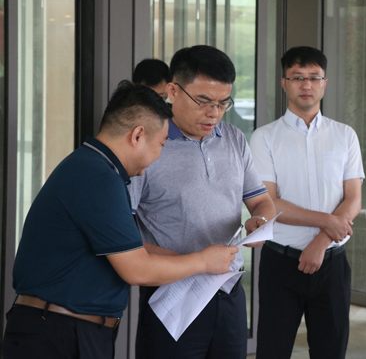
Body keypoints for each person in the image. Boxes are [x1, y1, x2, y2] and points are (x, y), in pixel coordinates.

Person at [2, 81, 239, 359]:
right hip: (58, 331)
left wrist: (188, 261)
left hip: (67, 328)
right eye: (161, 144)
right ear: (138, 135)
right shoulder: (98, 177)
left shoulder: (95, 168)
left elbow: (129, 246)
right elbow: (136, 269)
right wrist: (202, 262)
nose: (159, 155)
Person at [129, 45, 277, 359]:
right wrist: (190, 261)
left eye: (223, 103)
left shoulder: (234, 138)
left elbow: (262, 201)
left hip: (228, 290)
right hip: (172, 295)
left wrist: (260, 221)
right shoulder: (147, 146)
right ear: (172, 91)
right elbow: (122, 233)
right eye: (204, 101)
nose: (214, 113)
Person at [250, 46, 364, 359]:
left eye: (314, 77)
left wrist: (321, 242)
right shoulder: (264, 137)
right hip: (281, 264)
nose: (306, 85)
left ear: (324, 83)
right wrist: (327, 221)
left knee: (331, 352)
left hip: (332, 265)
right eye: (297, 77)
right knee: (272, 351)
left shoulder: (345, 135)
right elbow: (269, 202)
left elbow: (353, 198)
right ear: (284, 83)